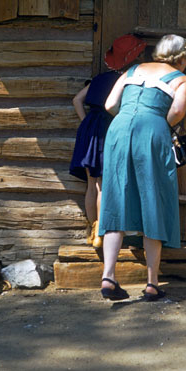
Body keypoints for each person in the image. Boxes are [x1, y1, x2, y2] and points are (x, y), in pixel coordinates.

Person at [97, 34, 186, 301]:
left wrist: (130, 116)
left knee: (115, 196)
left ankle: (108, 276)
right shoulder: (181, 79)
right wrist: (151, 119)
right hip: (152, 130)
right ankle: (152, 283)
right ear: (182, 58)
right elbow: (176, 113)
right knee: (154, 197)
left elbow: (109, 105)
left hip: (119, 129)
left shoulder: (132, 69)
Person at [70, 34, 147, 249]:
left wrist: (86, 122)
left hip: (89, 129)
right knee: (104, 185)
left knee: (91, 184)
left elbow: (77, 100)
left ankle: (92, 229)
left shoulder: (99, 79)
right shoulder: (125, 81)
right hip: (108, 129)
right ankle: (101, 233)